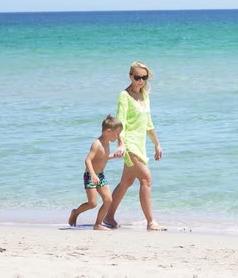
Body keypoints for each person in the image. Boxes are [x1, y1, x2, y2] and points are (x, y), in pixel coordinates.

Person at [103, 61, 166, 231]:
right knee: (146, 179)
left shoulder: (145, 96)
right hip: (129, 145)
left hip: (140, 146)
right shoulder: (124, 96)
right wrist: (121, 143)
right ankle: (151, 222)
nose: (140, 81)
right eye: (137, 77)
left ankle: (108, 217)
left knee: (126, 182)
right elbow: (120, 122)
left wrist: (157, 144)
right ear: (130, 76)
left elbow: (148, 123)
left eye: (144, 78)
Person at [68, 115, 123, 230]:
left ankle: (98, 224)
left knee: (108, 200)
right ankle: (75, 212)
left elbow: (103, 157)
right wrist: (92, 174)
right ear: (108, 131)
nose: (118, 136)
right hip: (90, 175)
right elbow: (88, 160)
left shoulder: (107, 143)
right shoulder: (97, 144)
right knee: (92, 203)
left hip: (100, 175)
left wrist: (115, 156)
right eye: (117, 133)